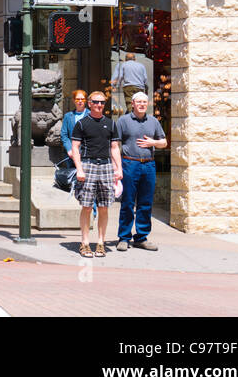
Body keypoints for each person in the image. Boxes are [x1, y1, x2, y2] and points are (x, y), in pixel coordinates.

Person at [70, 90, 122, 258]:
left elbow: (114, 148)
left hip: (106, 165)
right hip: (88, 164)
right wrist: (79, 168)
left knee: (104, 207)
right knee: (86, 206)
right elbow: (75, 148)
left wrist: (118, 168)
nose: (99, 105)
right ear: (90, 103)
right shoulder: (82, 124)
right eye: (96, 102)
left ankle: (101, 242)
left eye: (102, 103)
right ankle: (85, 243)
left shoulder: (111, 124)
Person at [115, 91, 167, 251]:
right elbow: (115, 145)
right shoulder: (123, 121)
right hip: (130, 164)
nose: (142, 105)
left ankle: (141, 238)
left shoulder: (153, 121)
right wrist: (117, 167)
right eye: (139, 102)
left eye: (145, 102)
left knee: (145, 203)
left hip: (148, 165)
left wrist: (153, 142)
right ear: (133, 104)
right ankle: (124, 237)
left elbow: (164, 142)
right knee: (128, 202)